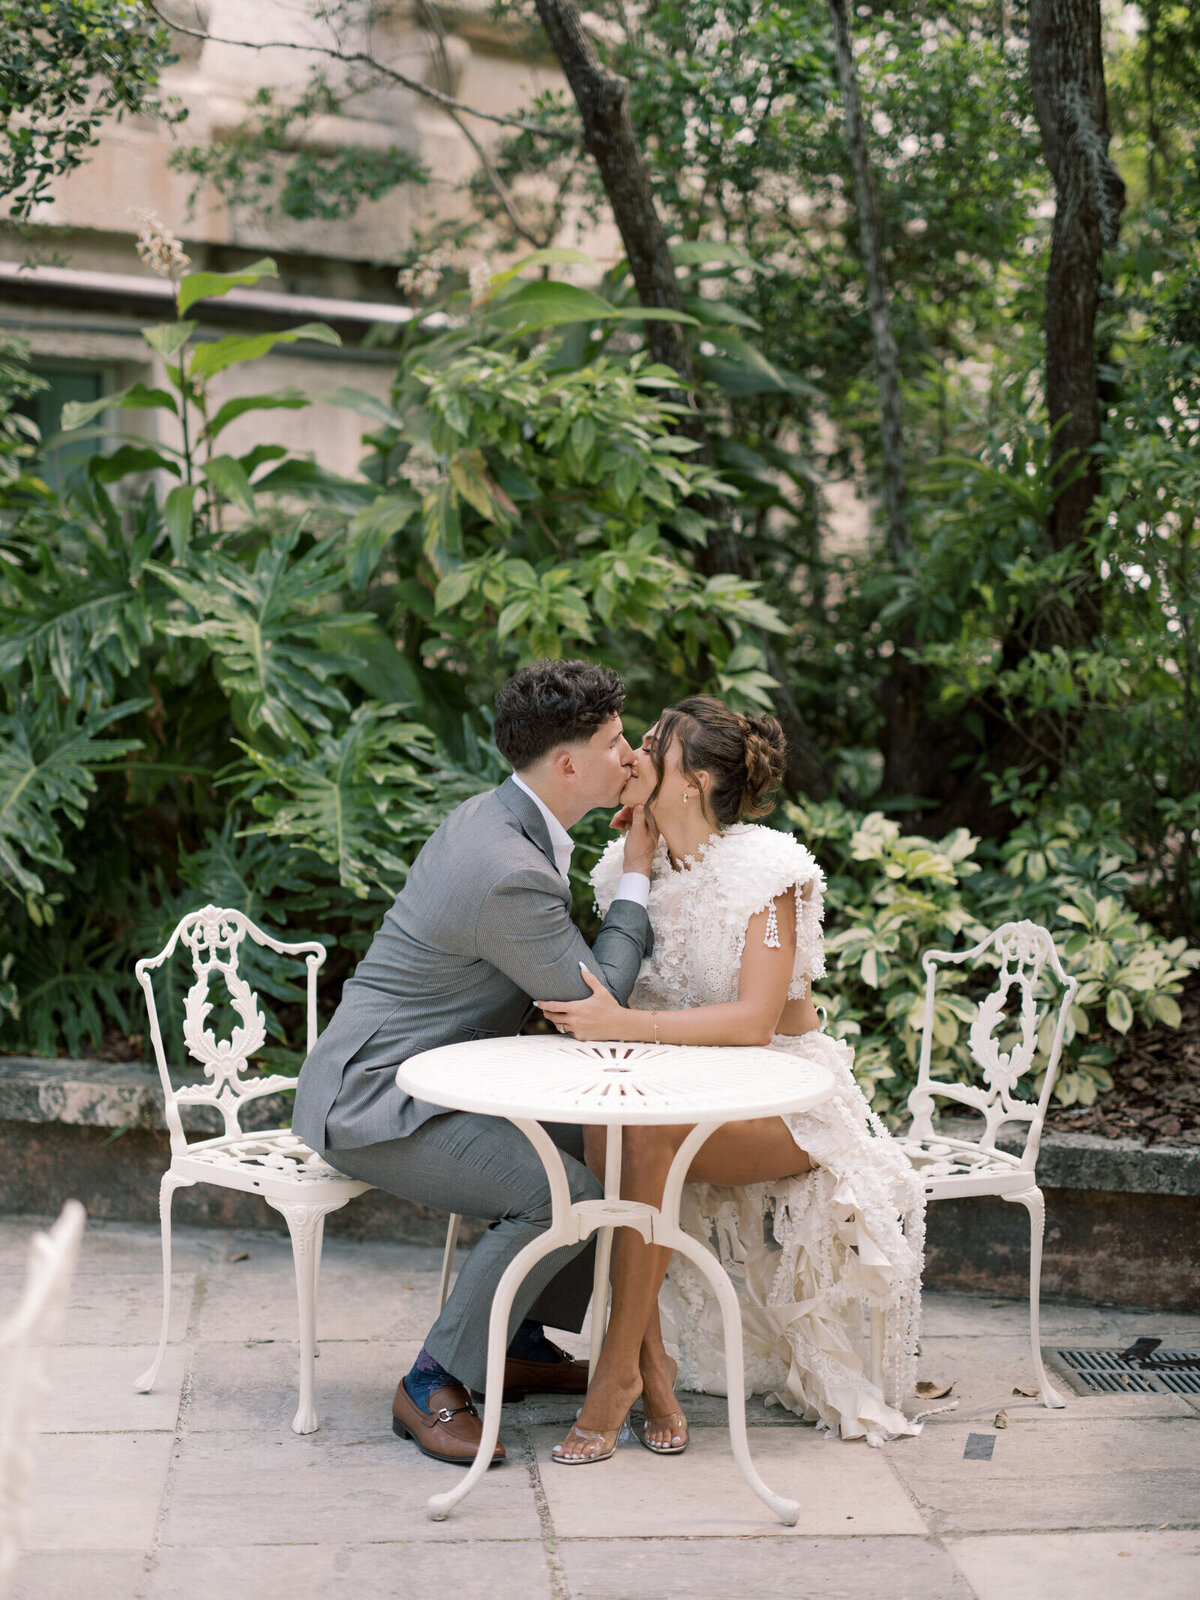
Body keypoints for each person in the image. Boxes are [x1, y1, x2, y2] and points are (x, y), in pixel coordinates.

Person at [537, 695, 924, 1462]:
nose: (635, 752)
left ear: (694, 781)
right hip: (669, 1093)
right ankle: (651, 1369)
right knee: (614, 1135)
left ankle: (617, 1374)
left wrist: (624, 1026)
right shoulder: (624, 866)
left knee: (642, 1140)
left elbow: (755, 1021)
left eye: (655, 743)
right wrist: (639, 867)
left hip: (783, 1098)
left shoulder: (768, 871)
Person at [291, 659, 657, 1467]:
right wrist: (639, 868)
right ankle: (430, 1381)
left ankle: (518, 1337)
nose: (630, 755)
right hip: (373, 1099)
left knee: (601, 1137)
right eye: (615, 741)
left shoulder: (506, 821)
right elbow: (603, 1008)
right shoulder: (508, 869)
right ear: (568, 766)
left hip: (433, 1076)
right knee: (559, 1198)